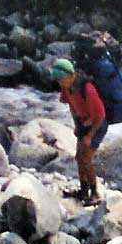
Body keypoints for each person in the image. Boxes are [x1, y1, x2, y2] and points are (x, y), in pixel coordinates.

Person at [51, 58, 108, 205]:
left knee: (86, 159)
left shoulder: (87, 89)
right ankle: (83, 191)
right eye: (58, 80)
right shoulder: (67, 87)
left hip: (98, 125)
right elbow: (71, 104)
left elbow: (100, 115)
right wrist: (77, 125)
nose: (60, 83)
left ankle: (95, 193)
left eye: (61, 79)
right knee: (79, 157)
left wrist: (89, 135)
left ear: (71, 75)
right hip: (84, 123)